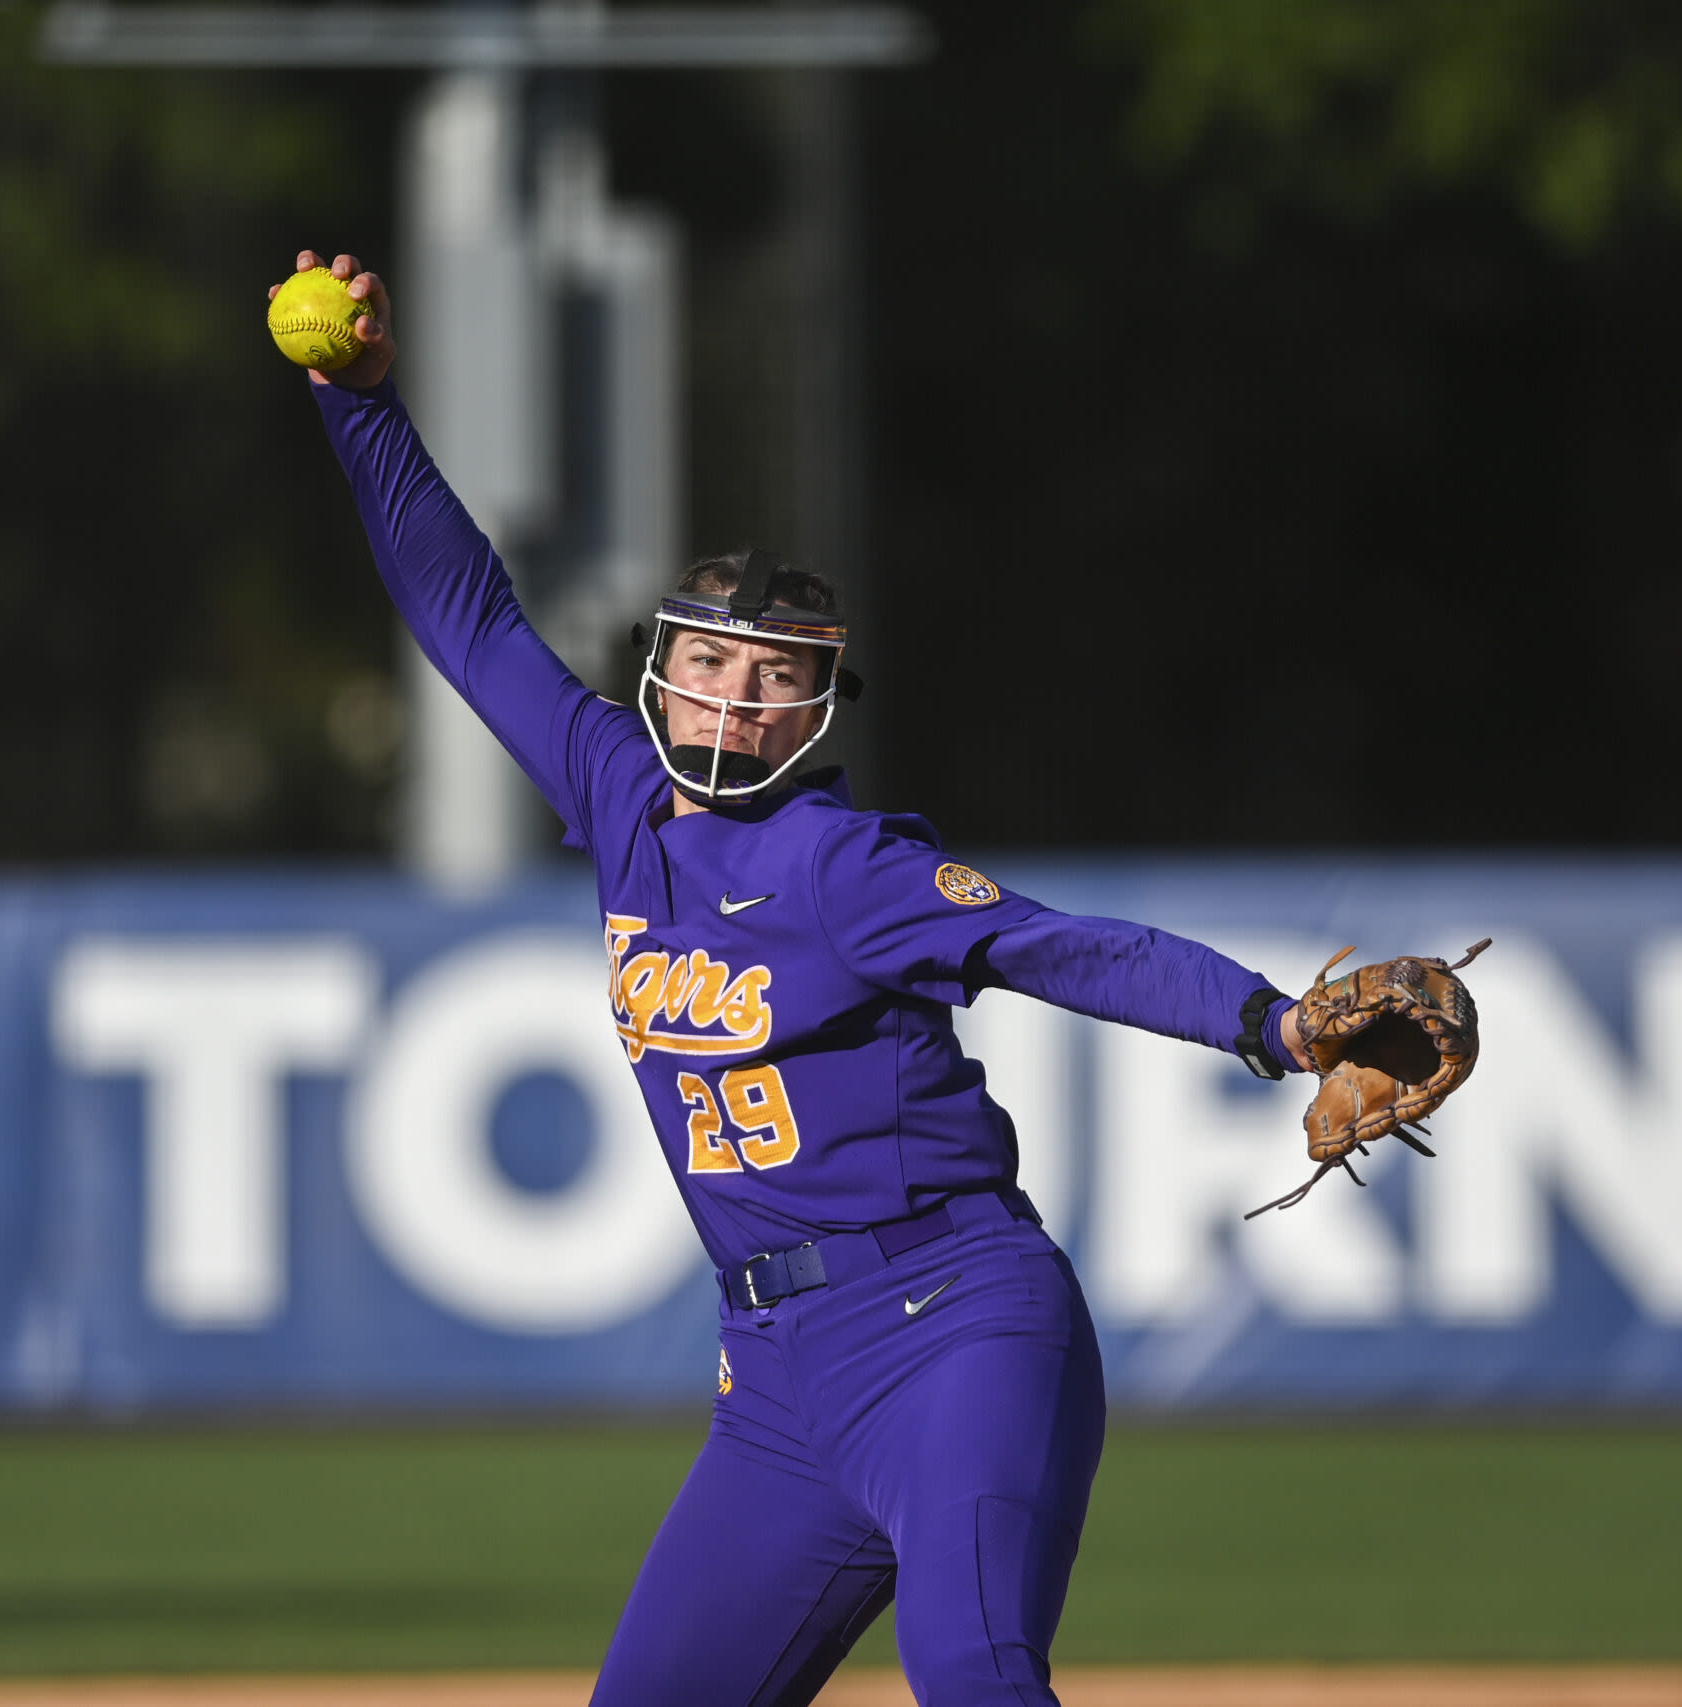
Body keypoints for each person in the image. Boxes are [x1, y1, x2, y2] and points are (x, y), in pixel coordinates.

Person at [280, 250, 1315, 1707]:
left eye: (774, 677)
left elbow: (1056, 944)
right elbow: (467, 617)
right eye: (710, 658)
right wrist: (361, 404)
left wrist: (1274, 1021)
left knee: (975, 1674)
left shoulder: (844, 864)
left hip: (953, 1328)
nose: (734, 694)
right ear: (661, 668)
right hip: (771, 1383)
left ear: (814, 711)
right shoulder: (614, 792)